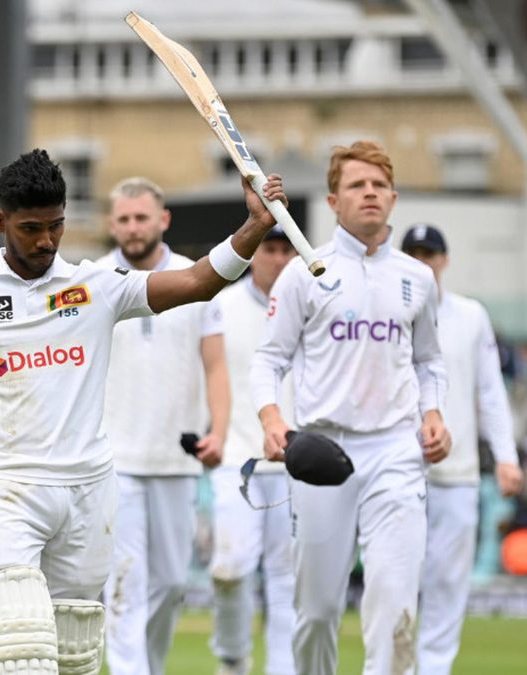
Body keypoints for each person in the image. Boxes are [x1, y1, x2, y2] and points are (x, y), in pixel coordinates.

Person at [0, 149, 287, 674]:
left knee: (75, 657)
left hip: (89, 491)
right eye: (31, 228)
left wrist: (253, 226)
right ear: (0, 222)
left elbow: (200, 281)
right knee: (16, 648)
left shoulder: (97, 286)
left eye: (57, 225)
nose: (46, 240)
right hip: (7, 486)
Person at [249, 141, 450, 675]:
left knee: (395, 609)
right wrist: (273, 420)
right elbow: (267, 361)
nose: (370, 194)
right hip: (322, 452)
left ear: (394, 198)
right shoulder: (302, 272)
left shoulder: (418, 278)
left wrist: (433, 415)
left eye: (379, 186)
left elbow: (430, 363)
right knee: (315, 613)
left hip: (396, 453)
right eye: (357, 185)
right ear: (334, 201)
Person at [96, 177, 228, 675]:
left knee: (172, 584)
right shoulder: (94, 279)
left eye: (141, 218)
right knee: (124, 585)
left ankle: (146, 666)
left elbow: (215, 365)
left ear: (163, 220)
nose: (133, 228)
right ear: (112, 224)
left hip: (177, 457)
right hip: (114, 461)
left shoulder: (197, 279)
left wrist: (218, 428)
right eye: (124, 219)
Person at [400, 224, 523, 675]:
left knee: (448, 580)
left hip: (459, 470)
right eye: (413, 253)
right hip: (398, 468)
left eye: (429, 254)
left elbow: (491, 392)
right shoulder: (388, 310)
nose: (422, 262)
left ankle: (434, 669)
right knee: (396, 575)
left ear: (444, 260)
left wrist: (507, 458)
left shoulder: (470, 315)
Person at [209, 227, 299, 675]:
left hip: (293, 462)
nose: (279, 258)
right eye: (270, 248)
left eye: (287, 250)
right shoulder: (221, 306)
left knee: (287, 581)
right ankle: (232, 655)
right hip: (235, 459)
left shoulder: (307, 303)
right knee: (229, 569)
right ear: (254, 254)